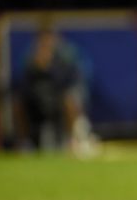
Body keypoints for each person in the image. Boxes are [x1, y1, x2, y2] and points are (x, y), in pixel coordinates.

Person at [12, 27, 95, 155]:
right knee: (17, 103)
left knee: (69, 100)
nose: (45, 48)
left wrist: (49, 70)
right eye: (42, 44)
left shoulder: (63, 63)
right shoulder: (30, 65)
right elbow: (23, 89)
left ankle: (75, 140)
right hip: (37, 106)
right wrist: (38, 69)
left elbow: (70, 86)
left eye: (48, 43)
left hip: (58, 105)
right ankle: (24, 143)